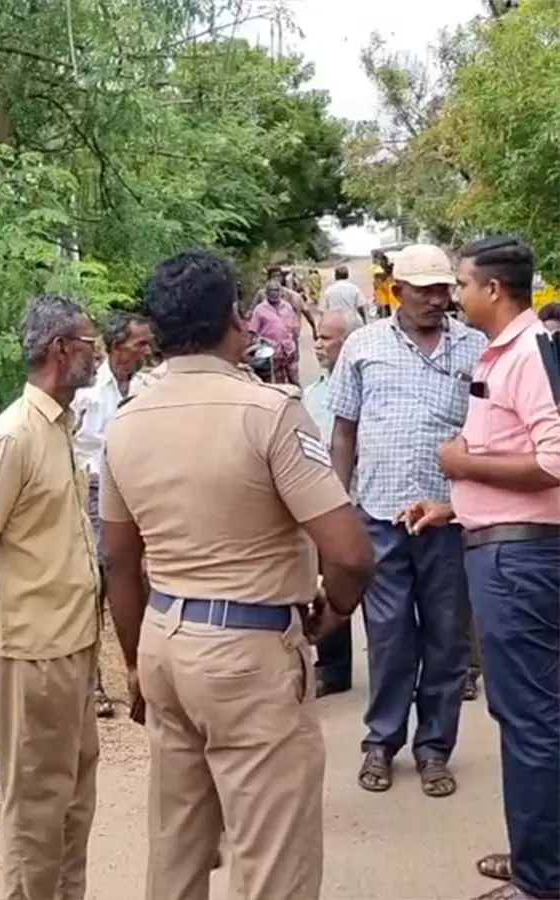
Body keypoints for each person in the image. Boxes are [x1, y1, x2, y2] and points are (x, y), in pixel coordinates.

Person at [100, 248, 372, 900]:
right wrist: (333, 610)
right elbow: (350, 554)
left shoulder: (125, 422)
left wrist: (136, 661)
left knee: (177, 845)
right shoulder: (269, 412)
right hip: (248, 651)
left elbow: (118, 561)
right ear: (233, 317)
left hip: (165, 642)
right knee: (272, 858)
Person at [402, 235, 560, 900]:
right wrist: (454, 504)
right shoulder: (507, 352)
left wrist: (463, 464)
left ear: (493, 289)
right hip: (505, 546)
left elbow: (553, 461)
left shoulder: (527, 354)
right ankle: (539, 852)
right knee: (533, 715)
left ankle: (540, 879)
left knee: (530, 718)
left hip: (519, 562)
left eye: (462, 284)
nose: (455, 297)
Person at [325, 243, 484, 799]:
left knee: (446, 638)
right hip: (379, 515)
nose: (437, 300)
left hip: (450, 520)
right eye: (424, 290)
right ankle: (381, 742)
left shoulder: (475, 347)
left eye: (443, 289)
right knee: (389, 637)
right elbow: (343, 431)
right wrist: (337, 506)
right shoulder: (363, 346)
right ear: (397, 291)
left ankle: (435, 748)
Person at [0, 294, 101, 900]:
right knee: (37, 808)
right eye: (90, 343)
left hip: (76, 642)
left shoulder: (61, 427)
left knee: (76, 799)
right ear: (60, 349)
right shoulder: (12, 437)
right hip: (36, 650)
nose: (98, 355)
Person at [72, 311, 154, 719]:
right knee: (99, 581)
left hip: (137, 487)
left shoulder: (147, 386)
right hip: (94, 488)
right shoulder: (87, 390)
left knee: (143, 576)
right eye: (140, 343)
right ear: (119, 346)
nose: (147, 349)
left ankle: (144, 671)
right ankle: (95, 683)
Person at [301, 308, 357, 697]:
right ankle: (333, 668)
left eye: (326, 338)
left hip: (360, 496)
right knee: (329, 579)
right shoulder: (313, 391)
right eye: (317, 338)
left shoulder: (367, 382)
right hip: (321, 499)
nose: (318, 345)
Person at [248, 267, 305, 384]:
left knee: (295, 380)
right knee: (277, 382)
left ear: (281, 292)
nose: (274, 293)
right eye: (271, 291)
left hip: (288, 351)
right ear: (266, 293)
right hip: (271, 354)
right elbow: (252, 333)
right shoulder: (260, 310)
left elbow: (294, 330)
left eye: (276, 290)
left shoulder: (287, 307)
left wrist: (296, 351)